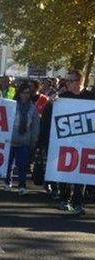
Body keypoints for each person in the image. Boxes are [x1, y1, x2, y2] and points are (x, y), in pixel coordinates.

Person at [40, 69, 95, 215]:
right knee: (64, 171)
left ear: (80, 82)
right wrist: (51, 103)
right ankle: (64, 199)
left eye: (71, 80)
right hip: (65, 142)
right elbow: (48, 116)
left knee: (80, 174)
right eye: (66, 80)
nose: (67, 83)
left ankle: (78, 202)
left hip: (85, 143)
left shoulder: (92, 98)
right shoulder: (61, 98)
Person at [3, 83, 40, 195]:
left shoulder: (33, 108)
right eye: (24, 92)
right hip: (11, 139)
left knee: (23, 165)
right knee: (8, 164)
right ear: (19, 93)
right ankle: (7, 182)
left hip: (25, 140)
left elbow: (35, 125)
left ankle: (22, 185)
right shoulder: (12, 105)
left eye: (28, 93)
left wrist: (34, 140)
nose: (26, 95)